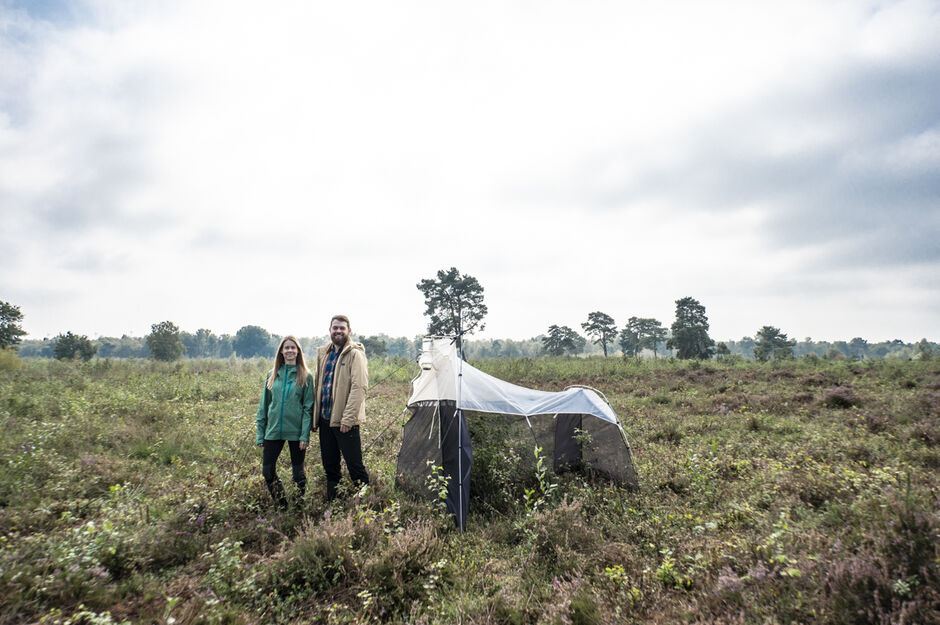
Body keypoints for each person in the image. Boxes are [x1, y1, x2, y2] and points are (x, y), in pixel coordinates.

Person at [313, 314, 369, 500]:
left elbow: (359, 387)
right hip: (325, 419)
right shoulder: (324, 354)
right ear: (330, 330)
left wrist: (348, 419)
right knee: (330, 465)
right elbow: (318, 386)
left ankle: (365, 502)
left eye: (342, 328)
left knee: (354, 464)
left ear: (349, 331)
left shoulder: (355, 354)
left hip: (344, 421)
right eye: (335, 328)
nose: (338, 331)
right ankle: (333, 502)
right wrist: (315, 418)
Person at [256, 335, 314, 509]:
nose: (289, 350)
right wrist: (261, 433)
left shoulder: (306, 376)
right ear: (281, 351)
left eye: (293, 347)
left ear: (298, 351)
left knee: (298, 474)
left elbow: (308, 407)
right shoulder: (272, 375)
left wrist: (304, 435)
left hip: (296, 431)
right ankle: (282, 505)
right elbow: (264, 405)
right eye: (286, 347)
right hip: (273, 430)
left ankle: (298, 507)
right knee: (267, 471)